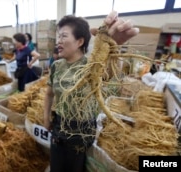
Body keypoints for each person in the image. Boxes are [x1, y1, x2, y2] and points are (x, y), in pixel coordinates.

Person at [44, 11, 139, 172]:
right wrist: (46, 117)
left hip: (83, 129)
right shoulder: (56, 66)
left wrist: (113, 50)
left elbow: (109, 73)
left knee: (76, 167)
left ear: (80, 41)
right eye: (58, 37)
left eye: (63, 36)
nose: (58, 42)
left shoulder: (93, 64)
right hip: (59, 125)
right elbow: (49, 93)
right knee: (56, 165)